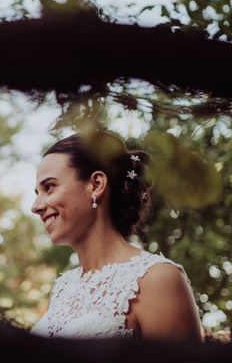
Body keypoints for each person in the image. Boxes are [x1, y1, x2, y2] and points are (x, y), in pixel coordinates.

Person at [30, 131, 201, 341]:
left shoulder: (157, 279)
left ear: (96, 185)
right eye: (37, 193)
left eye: (49, 187)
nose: (35, 207)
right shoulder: (63, 288)